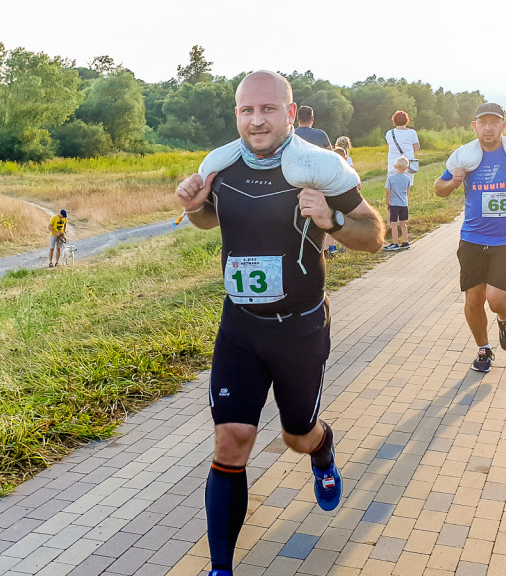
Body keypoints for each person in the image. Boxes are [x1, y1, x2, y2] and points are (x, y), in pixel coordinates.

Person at [174, 70, 383, 576]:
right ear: (238, 116)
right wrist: (195, 204)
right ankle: (220, 568)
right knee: (232, 439)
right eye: (247, 110)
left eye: (267, 109)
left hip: (299, 328)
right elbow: (211, 220)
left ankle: (322, 446)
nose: (256, 120)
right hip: (240, 326)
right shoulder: (220, 167)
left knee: (296, 435)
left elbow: (374, 234)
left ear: (290, 113)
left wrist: (332, 221)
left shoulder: (318, 167)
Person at [434, 102, 506, 372]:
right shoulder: (465, 157)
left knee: (496, 299)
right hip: (472, 238)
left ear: (503, 126)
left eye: (494, 122)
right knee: (473, 300)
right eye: (482, 122)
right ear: (474, 126)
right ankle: (483, 349)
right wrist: (453, 183)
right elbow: (439, 188)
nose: (488, 128)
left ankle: (504, 317)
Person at [384, 156, 412, 251]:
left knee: (394, 224)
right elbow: (407, 191)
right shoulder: (407, 179)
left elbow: (388, 192)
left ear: (395, 166)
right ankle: (405, 241)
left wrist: (388, 203)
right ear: (406, 168)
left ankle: (395, 243)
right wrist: (405, 200)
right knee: (403, 223)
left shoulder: (391, 178)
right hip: (404, 204)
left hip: (394, 204)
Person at [386, 110, 420, 174]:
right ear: (406, 120)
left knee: (393, 183)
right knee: (407, 183)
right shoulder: (412, 132)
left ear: (394, 121)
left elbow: (390, 146)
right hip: (408, 164)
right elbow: (417, 148)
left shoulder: (389, 133)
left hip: (393, 164)